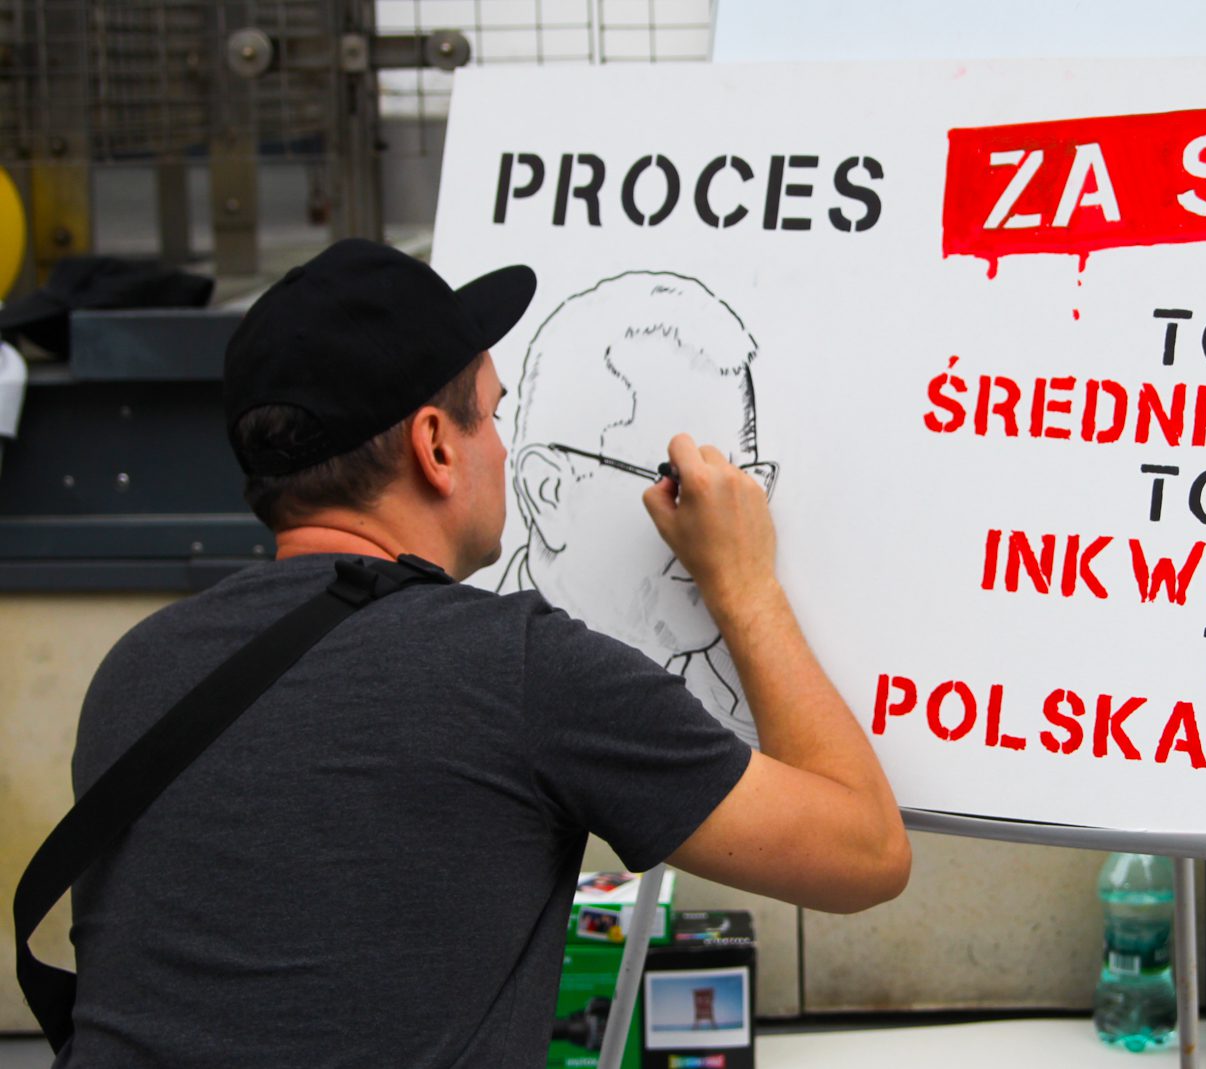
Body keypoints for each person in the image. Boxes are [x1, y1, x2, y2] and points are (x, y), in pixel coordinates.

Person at [56, 239, 908, 1067]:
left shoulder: (135, 671)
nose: (500, 445)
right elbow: (865, 854)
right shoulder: (521, 670)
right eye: (494, 415)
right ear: (435, 446)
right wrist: (746, 584)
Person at [498, 271, 775, 747]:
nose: (724, 517)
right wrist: (754, 595)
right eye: (682, 480)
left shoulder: (744, 706)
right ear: (549, 491)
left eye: (739, 482)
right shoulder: (461, 690)